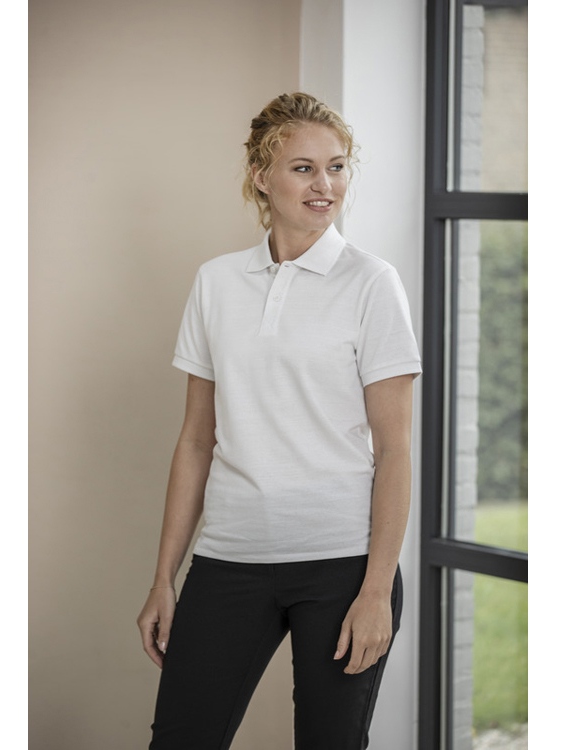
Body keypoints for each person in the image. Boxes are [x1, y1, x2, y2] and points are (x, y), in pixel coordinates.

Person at [136, 91, 422, 750]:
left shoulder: (372, 283)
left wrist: (377, 590)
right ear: (261, 177)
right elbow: (196, 440)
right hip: (229, 557)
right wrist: (163, 580)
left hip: (343, 565)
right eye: (303, 168)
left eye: (337, 167)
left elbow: (395, 449)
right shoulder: (216, 282)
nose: (325, 185)